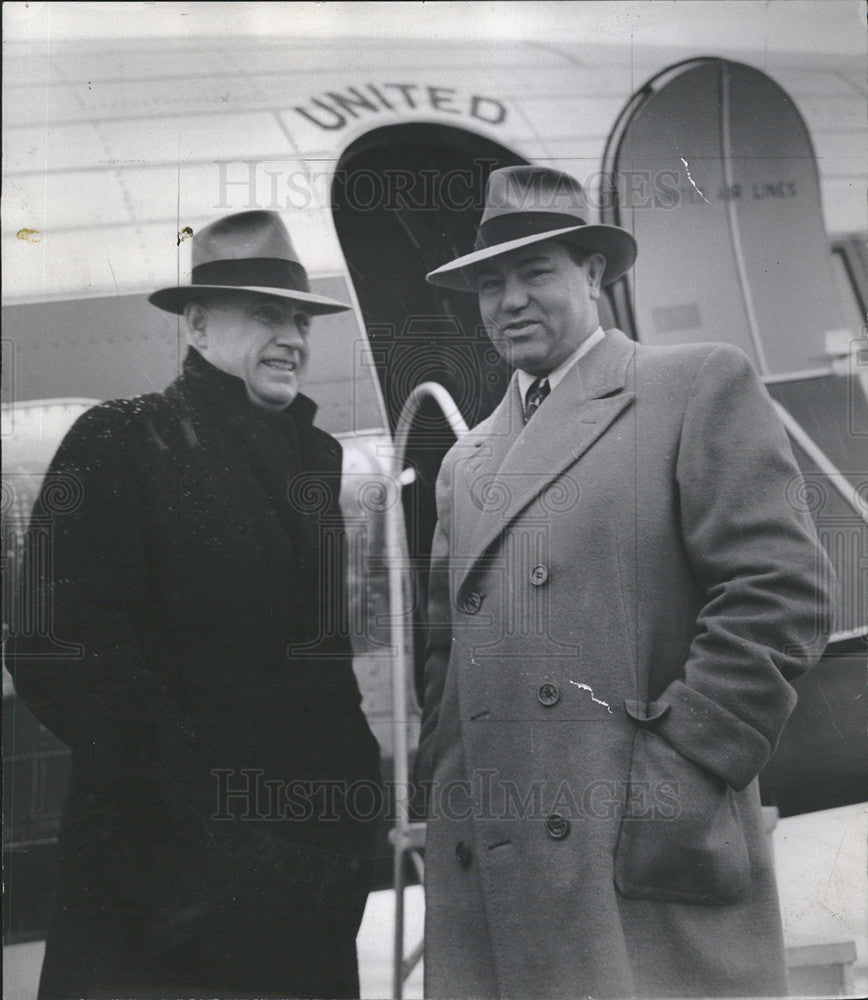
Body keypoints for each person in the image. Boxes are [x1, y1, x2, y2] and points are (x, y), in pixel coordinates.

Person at [415, 165, 834, 999]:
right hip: (497, 887)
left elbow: (781, 594)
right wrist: (449, 809)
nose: (510, 302)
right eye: (490, 284)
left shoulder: (693, 387)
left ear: (596, 273)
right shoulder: (464, 464)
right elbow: (445, 669)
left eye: (537, 272)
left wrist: (679, 778)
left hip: (632, 860)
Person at [9, 211, 382, 999]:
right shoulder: (123, 441)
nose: (291, 337)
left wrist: (355, 827)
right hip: (163, 897)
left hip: (307, 890)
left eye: (298, 318)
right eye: (264, 314)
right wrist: (217, 828)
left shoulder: (310, 462)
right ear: (199, 325)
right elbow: (57, 650)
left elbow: (323, 675)